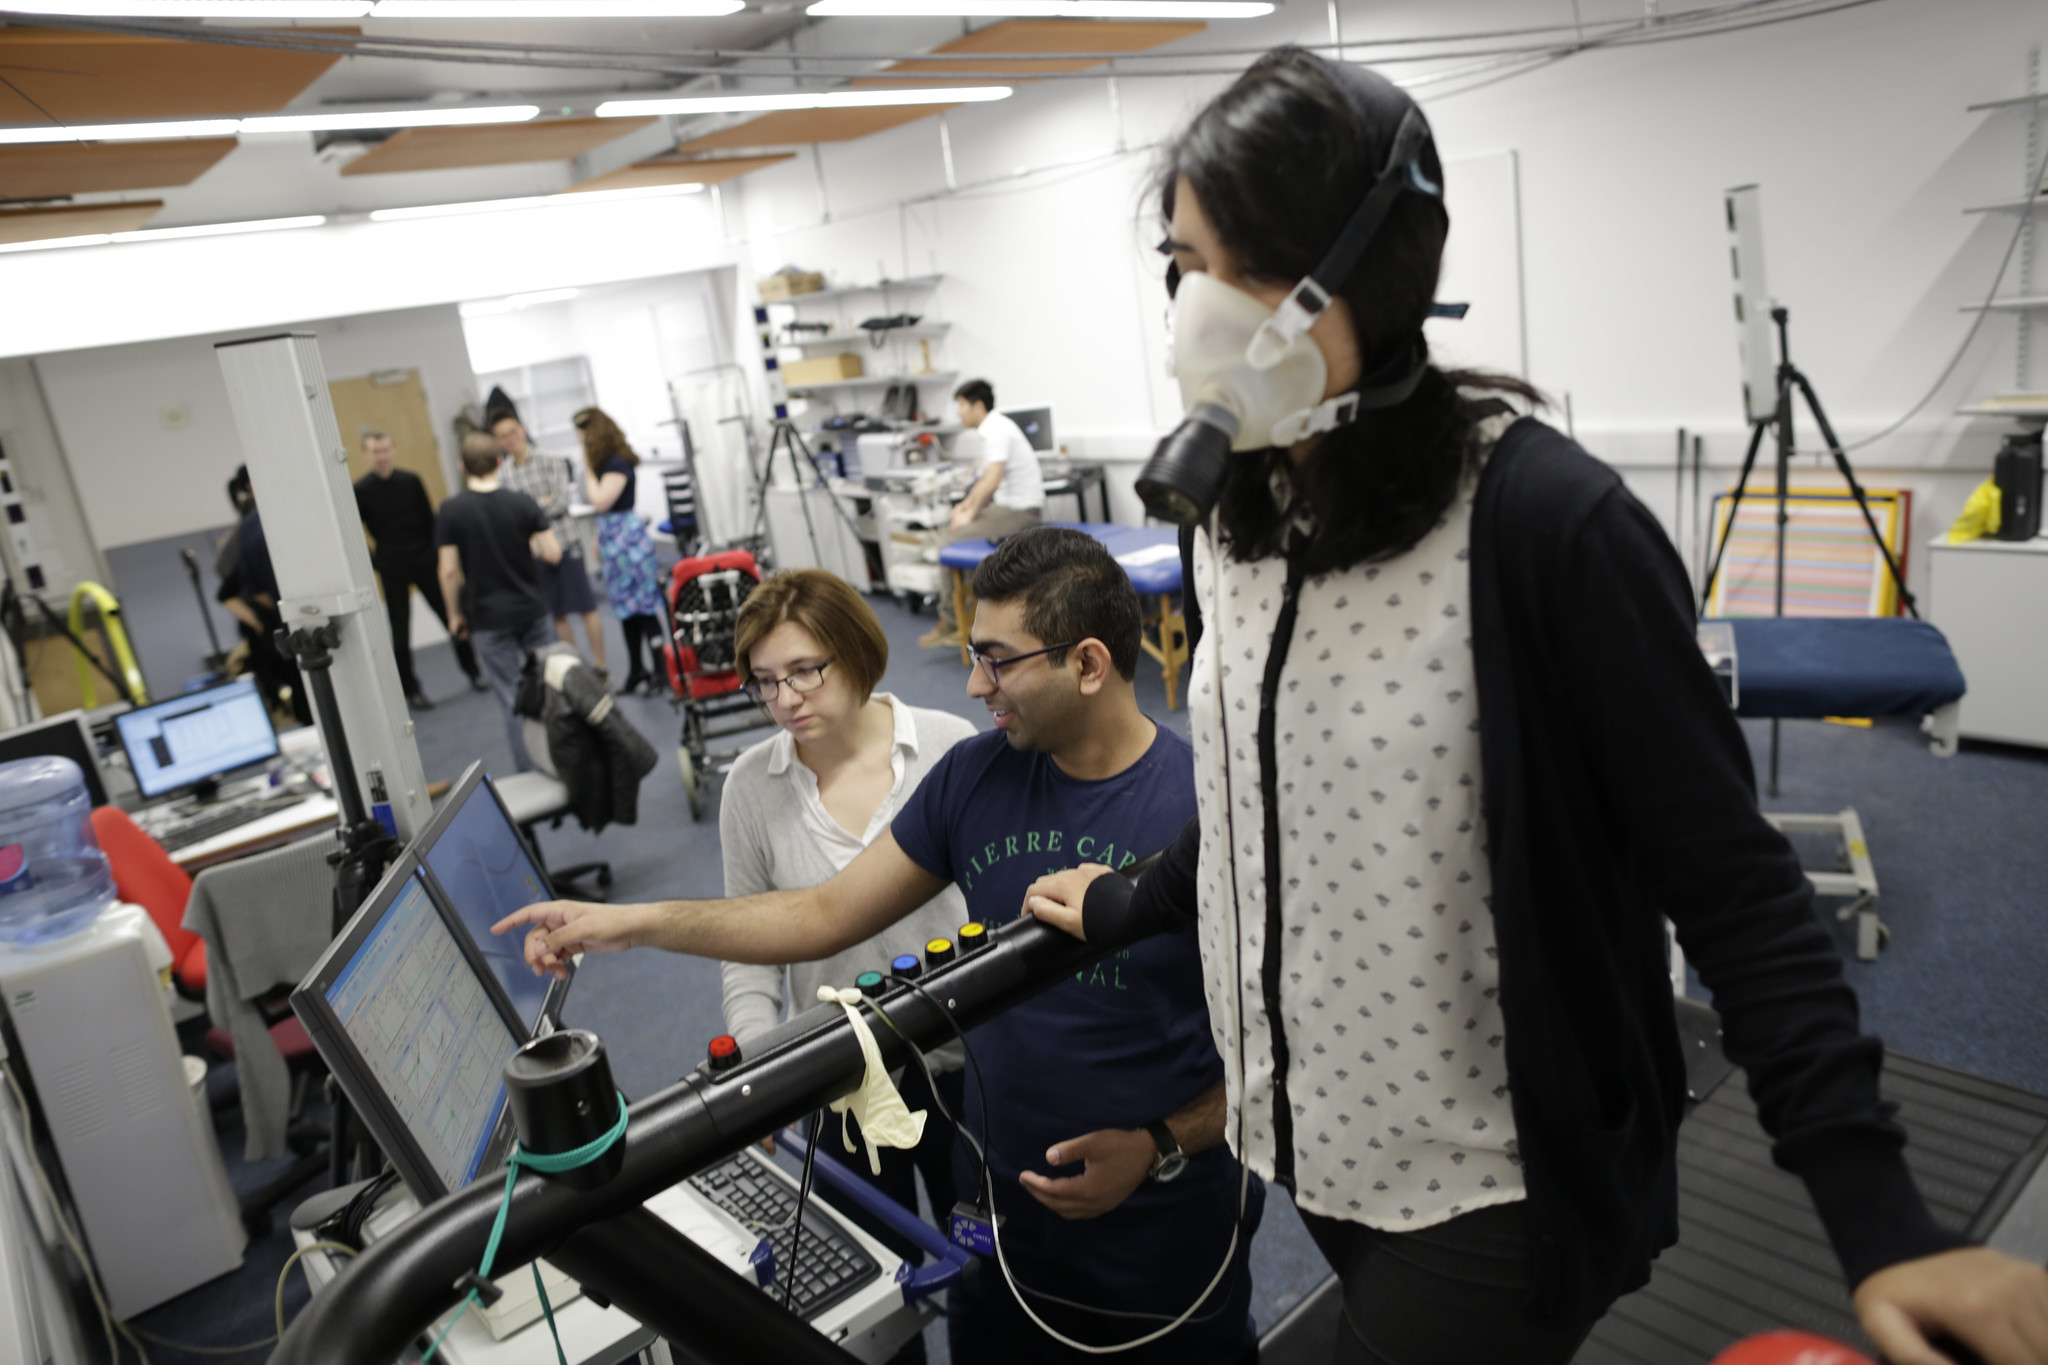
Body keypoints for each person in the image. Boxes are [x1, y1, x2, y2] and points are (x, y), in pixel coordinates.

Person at [1017, 48, 2048, 1365]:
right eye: (1182, 268)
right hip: (1307, 1133)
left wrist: (1888, 1224)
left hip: (1492, 1176)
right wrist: (1127, 903)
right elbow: (1259, 786)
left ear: (1370, 274)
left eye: (1247, 267)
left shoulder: (1547, 526)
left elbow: (1734, 888)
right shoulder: (1241, 514)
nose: (1200, 313)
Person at [495, 528, 1263, 1364]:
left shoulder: (1208, 814)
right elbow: (820, 914)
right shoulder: (975, 777)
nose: (973, 685)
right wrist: (629, 923)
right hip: (1001, 1228)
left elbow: (1284, 1054)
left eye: (998, 661)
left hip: (1161, 1234)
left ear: (1085, 664)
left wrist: (1157, 1145)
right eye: (972, 655)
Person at [719, 568, 976, 1364]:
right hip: (835, 1080)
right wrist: (764, 1076)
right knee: (870, 1300)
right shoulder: (749, 788)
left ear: (856, 653)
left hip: (970, 1061)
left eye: (804, 669)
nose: (786, 697)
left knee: (996, 1274)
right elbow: (747, 951)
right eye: (766, 681)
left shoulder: (948, 747)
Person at [436, 433, 562, 772]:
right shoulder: (523, 502)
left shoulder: (451, 510)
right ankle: (567, 765)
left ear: (462, 466)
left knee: (513, 701)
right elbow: (553, 552)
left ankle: (532, 774)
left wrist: (454, 615)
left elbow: (448, 572)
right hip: (532, 610)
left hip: (488, 619)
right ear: (500, 461)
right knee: (552, 691)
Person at [352, 429, 485, 710]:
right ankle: (411, 691)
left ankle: (474, 672)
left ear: (392, 450)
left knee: (452, 615)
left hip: (424, 559)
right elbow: (355, 532)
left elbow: (430, 520)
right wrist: (375, 562)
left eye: (385, 449)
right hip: (392, 565)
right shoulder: (361, 490)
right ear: (366, 454)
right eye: (375, 451)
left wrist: (438, 556)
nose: (381, 456)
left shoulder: (410, 481)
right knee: (400, 631)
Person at [919, 379, 1044, 651]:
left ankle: (951, 622)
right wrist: (965, 507)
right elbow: (986, 479)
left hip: (1021, 512)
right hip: (1009, 506)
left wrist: (969, 515)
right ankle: (965, 615)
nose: (958, 412)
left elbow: (992, 481)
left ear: (978, 406)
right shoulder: (996, 427)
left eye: (962, 406)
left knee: (947, 542)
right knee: (955, 531)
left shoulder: (995, 430)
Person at [487, 395, 607, 678]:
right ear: (497, 441)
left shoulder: (551, 460)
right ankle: (580, 673)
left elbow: (560, 503)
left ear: (522, 429)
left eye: (513, 432)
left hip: (566, 545)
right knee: (559, 615)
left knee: (586, 609)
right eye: (502, 437)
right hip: (535, 554)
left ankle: (601, 667)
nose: (510, 439)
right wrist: (539, 505)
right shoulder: (503, 476)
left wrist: (529, 510)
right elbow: (512, 518)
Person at [572, 407, 664, 696]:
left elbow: (600, 501)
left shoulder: (617, 464)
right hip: (614, 540)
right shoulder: (608, 465)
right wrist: (599, 539)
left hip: (628, 543)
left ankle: (662, 671)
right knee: (626, 611)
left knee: (644, 608)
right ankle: (637, 669)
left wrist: (587, 468)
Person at [215, 466, 309, 726]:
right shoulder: (251, 525)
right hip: (270, 620)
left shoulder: (256, 521)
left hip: (275, 615)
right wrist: (264, 616)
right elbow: (230, 585)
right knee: (298, 687)